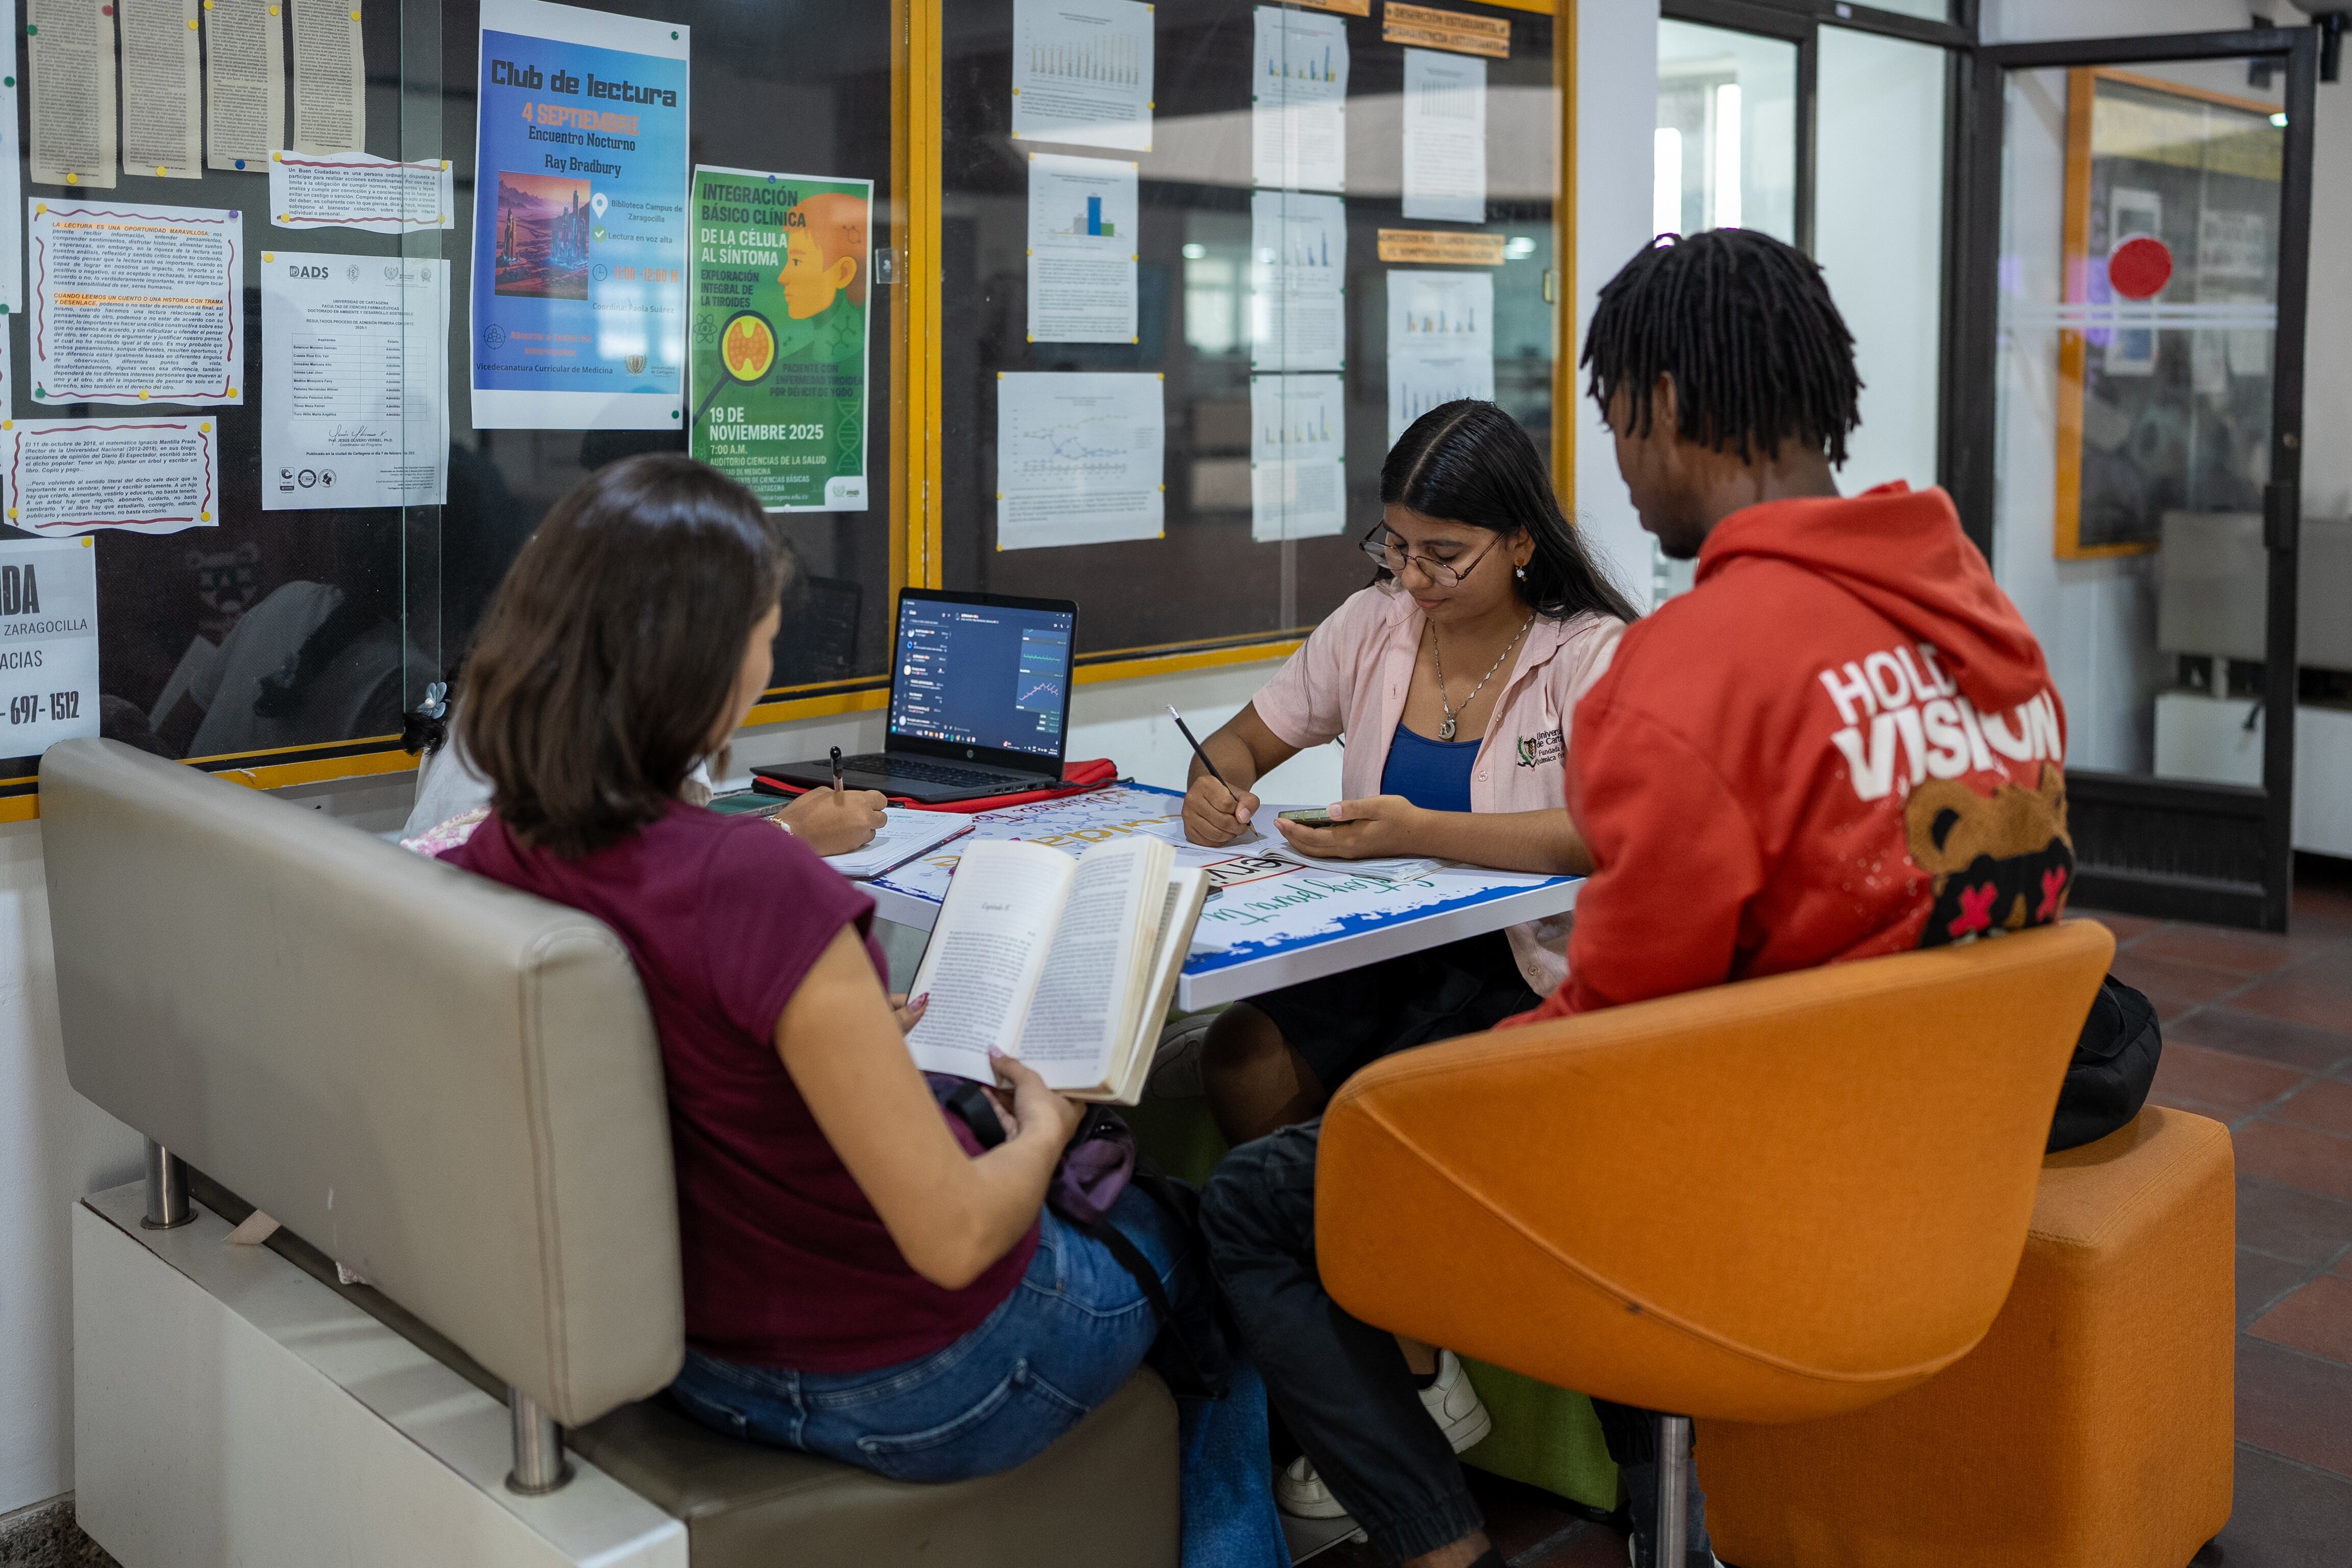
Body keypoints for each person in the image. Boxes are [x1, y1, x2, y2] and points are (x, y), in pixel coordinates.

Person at [1201, 228, 2073, 1568]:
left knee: (1256, 1200)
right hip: (1933, 1175)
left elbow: (1613, 1037)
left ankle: (1441, 1542)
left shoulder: (1694, 669)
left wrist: (1417, 1102)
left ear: (1665, 409)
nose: (1614, 461)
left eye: (1615, 421)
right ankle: (1670, 1519)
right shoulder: (1985, 637)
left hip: (1728, 1190)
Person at [441, 453, 1287, 1568]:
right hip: (911, 1374)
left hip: (697, 1345)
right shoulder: (758, 887)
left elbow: (670, 1036)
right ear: (703, 662)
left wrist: (829, 1040)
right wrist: (1048, 1124)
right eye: (765, 630)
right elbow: (955, 1238)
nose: (771, 652)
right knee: (1225, 1248)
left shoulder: (505, 851)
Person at [1174, 401, 1637, 1152]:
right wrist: (1213, 789)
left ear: (1521, 538)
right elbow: (1234, 745)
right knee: (1240, 1057)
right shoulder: (1374, 621)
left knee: (1388, 1107)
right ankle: (1296, 1234)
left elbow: (1605, 836)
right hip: (1374, 945)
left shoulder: (1586, 653)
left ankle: (1325, 1234)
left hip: (1519, 963)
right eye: (1397, 545)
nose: (1414, 575)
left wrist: (1419, 833)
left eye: (1444, 554)